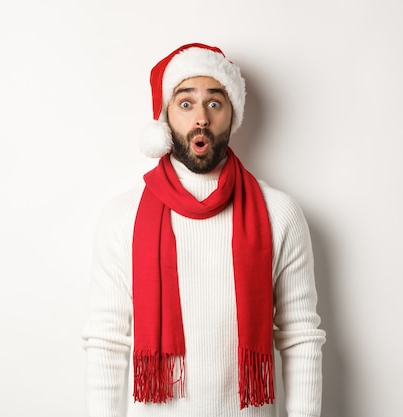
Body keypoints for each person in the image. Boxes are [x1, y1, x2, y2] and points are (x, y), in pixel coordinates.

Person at [82, 43, 326, 417]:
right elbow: (107, 342)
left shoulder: (279, 213)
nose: (201, 118)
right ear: (164, 117)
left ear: (232, 115)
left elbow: (300, 338)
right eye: (185, 103)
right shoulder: (122, 216)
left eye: (214, 103)